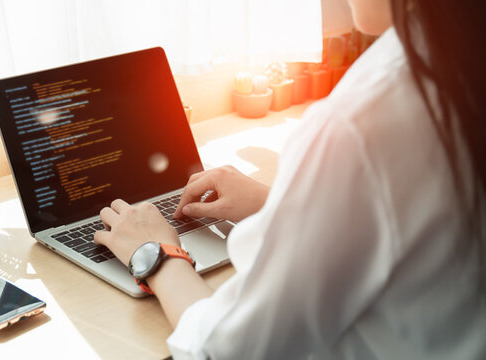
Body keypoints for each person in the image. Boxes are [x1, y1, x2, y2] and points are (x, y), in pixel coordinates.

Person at [93, 0, 486, 358]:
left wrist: (156, 255)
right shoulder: (459, 60)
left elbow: (229, 350)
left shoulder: (362, 121)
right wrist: (283, 203)